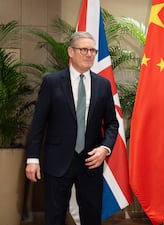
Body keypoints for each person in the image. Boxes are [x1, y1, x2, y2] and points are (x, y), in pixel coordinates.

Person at [25, 31, 119, 225]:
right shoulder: (52, 82)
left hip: (90, 163)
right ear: (70, 51)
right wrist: (32, 159)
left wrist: (105, 148)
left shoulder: (103, 85)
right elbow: (38, 124)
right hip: (57, 162)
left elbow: (112, 123)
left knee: (92, 218)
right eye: (84, 49)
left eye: (93, 50)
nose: (89, 54)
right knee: (55, 218)